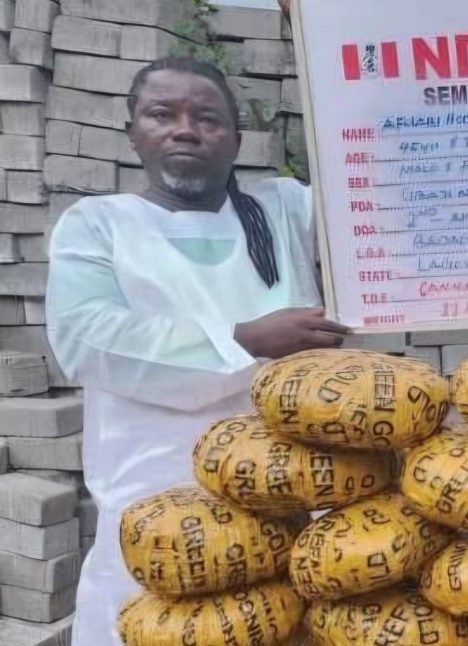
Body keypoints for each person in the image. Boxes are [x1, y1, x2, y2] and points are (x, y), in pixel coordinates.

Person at [46, 57, 349, 645]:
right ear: (132, 131)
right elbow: (87, 339)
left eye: (207, 118)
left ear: (235, 140)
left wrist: (325, 36)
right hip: (155, 499)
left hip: (286, 493)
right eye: (163, 114)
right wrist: (242, 340)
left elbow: (377, 201)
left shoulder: (284, 210)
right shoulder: (98, 225)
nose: (185, 129)